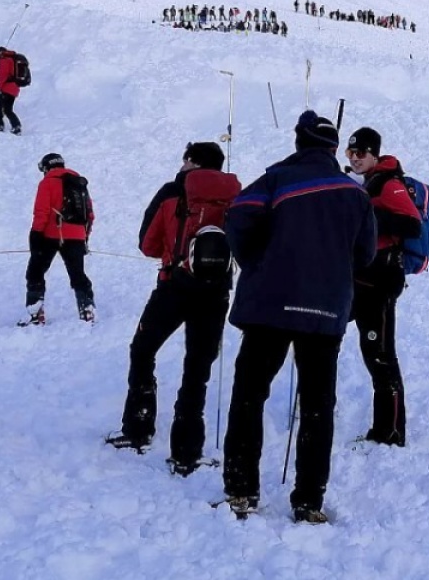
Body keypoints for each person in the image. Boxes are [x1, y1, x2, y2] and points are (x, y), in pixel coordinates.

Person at [219, 111, 376, 524]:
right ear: (333, 148)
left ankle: (241, 491)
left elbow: (237, 218)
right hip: (325, 310)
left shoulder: (276, 180)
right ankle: (308, 500)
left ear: (299, 143)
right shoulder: (356, 194)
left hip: (268, 306)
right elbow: (365, 255)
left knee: (249, 396)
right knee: (318, 406)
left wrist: (256, 262)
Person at [106, 142, 242, 475]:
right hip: (216, 293)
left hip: (174, 286)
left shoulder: (173, 192)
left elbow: (148, 244)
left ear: (191, 162)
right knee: (197, 368)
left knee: (143, 349)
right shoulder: (235, 195)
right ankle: (186, 452)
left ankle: (138, 427)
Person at [344, 127, 422, 447]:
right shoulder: (367, 182)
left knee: (380, 356)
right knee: (345, 343)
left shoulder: (389, 184)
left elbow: (412, 224)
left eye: (361, 152)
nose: (355, 158)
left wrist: (370, 213)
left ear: (374, 154)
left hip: (381, 282)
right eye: (350, 152)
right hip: (360, 278)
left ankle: (390, 432)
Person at [22, 153, 96, 326]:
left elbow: (41, 212)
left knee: (35, 272)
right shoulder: (79, 183)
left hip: (51, 234)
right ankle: (87, 309)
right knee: (77, 273)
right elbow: (89, 214)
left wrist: (35, 235)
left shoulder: (47, 182)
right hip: (77, 235)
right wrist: (84, 237)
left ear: (46, 167)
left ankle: (35, 313)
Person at [0, 46, 24, 134]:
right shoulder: (12, 59)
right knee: (7, 109)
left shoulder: (4, 60)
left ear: (0, 52)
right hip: (14, 89)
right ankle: (16, 126)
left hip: (5, 88)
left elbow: (2, 76)